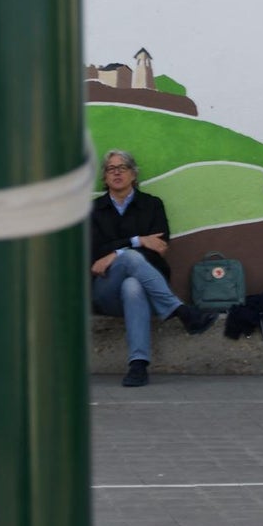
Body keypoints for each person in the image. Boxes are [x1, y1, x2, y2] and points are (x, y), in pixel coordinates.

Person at [90, 149, 217, 387]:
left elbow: (159, 247)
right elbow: (94, 254)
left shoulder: (152, 205)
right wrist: (138, 241)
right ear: (105, 177)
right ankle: (180, 310)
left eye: (122, 168)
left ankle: (138, 365)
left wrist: (114, 252)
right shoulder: (93, 210)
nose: (116, 173)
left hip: (144, 290)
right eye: (110, 169)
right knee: (130, 257)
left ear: (133, 175)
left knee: (133, 285)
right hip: (105, 289)